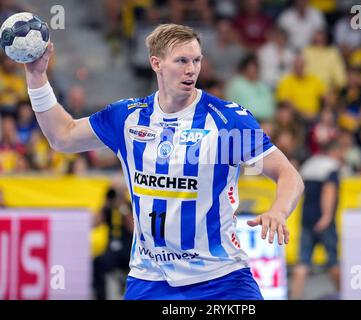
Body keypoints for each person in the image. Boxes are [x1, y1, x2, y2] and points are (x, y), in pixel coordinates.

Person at [23, 24, 304, 300]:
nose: (191, 69)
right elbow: (62, 136)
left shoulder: (227, 120)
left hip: (221, 279)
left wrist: (279, 211)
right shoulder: (127, 117)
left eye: (196, 60)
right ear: (156, 63)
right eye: (181, 60)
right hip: (150, 280)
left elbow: (288, 174)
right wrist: (37, 78)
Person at [290, 140, 343, 300]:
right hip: (323, 221)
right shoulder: (331, 166)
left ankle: (295, 296)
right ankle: (345, 294)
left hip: (307, 219)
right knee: (333, 262)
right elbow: (329, 191)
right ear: (335, 151)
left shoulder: (309, 164)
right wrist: (326, 217)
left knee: (303, 262)